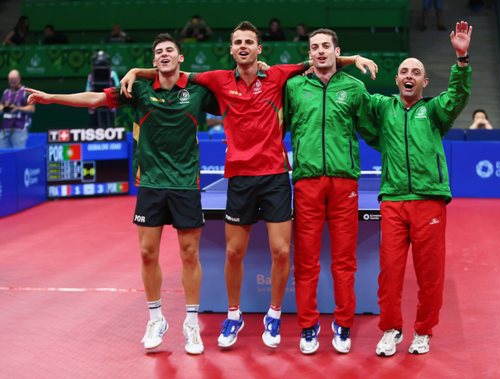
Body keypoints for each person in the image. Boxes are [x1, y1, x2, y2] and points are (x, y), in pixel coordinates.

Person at [120, 20, 377, 350]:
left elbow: (319, 60)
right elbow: (169, 71)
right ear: (231, 49)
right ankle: (233, 313)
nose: (243, 46)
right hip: (239, 178)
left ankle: (273, 313)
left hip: (274, 176)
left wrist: (353, 59)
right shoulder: (217, 80)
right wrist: (137, 72)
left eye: (249, 42)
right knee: (233, 252)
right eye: (237, 41)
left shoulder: (279, 75)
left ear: (259, 49)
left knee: (282, 252)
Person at [27, 33, 220, 355]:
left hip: (186, 183)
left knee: (189, 254)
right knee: (147, 253)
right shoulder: (139, 88)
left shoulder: (198, 91)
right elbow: (94, 99)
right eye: (158, 52)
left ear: (181, 58)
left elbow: (234, 96)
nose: (164, 55)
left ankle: (190, 323)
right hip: (151, 183)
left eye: (170, 51)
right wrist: (52, 98)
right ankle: (156, 318)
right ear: (153, 59)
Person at [371, 21, 472, 357]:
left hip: (429, 200)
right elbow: (354, 102)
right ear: (397, 80)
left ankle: (424, 331)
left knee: (429, 274)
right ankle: (390, 329)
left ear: (424, 82)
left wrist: (461, 60)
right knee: (390, 273)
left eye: (416, 71)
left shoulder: (434, 111)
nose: (409, 74)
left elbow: (458, 95)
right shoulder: (384, 109)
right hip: (393, 201)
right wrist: (345, 61)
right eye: (404, 71)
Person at [284, 28, 377, 355]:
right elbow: (273, 125)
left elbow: (371, 130)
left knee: (344, 261)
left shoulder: (354, 87)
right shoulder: (294, 87)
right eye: (314, 47)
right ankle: (308, 327)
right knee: (306, 261)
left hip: (344, 183)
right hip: (307, 181)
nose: (320, 51)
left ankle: (343, 324)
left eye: (326, 46)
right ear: (309, 53)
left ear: (337, 51)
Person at [85, 51, 120, 127]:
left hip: (109, 101)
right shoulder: (91, 76)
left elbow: (118, 87)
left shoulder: (112, 74)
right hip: (96, 102)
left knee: (110, 122)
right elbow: (88, 90)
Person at [0, 70, 35, 148]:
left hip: (19, 129)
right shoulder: (6, 92)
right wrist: (4, 108)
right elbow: (1, 106)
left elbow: (32, 108)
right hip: (5, 129)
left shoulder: (26, 91)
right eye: (10, 80)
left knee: (18, 156)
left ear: (19, 79)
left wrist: (17, 108)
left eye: (14, 80)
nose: (12, 83)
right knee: (3, 156)